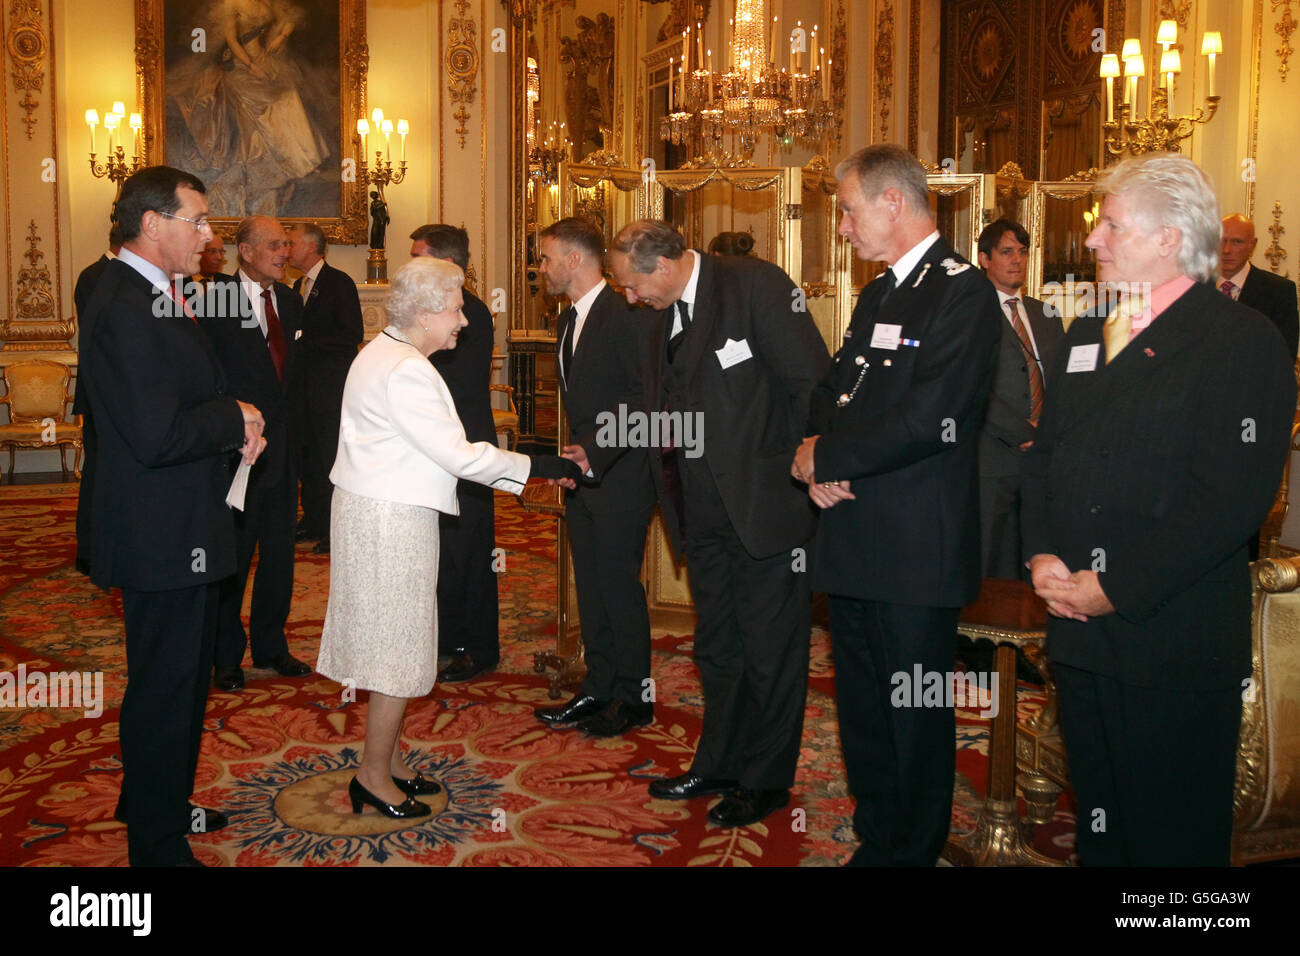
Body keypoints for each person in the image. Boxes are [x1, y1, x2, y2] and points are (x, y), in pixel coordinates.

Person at [1023, 154, 1295, 866]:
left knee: (1172, 844)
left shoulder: (1242, 341)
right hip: (1080, 633)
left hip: (1169, 639)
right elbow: (1043, 457)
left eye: (1111, 225)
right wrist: (1043, 555)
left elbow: (1229, 501)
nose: (1092, 241)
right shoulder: (1087, 334)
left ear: (1170, 238)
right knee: (1104, 830)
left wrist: (1113, 586)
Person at [793, 144, 1002, 866]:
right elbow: (837, 390)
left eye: (848, 211)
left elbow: (932, 415)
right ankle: (879, 839)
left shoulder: (962, 292)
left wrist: (831, 457)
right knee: (862, 710)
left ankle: (912, 850)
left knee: (912, 712)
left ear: (891, 201)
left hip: (915, 547)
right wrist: (815, 451)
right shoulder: (881, 292)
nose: (843, 228)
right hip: (853, 532)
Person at [316, 256, 580, 817]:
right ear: (431, 310)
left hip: (380, 511)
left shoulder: (383, 351)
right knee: (397, 646)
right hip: (390, 520)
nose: (463, 320)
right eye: (457, 307)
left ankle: (385, 760)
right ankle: (371, 776)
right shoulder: (405, 368)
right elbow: (458, 455)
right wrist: (539, 466)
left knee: (400, 639)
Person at [608, 220, 829, 828]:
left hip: (767, 509)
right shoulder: (658, 316)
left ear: (664, 265)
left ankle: (766, 782)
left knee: (771, 653)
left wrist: (811, 463)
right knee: (718, 647)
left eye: (632, 286)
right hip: (697, 512)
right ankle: (719, 761)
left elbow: (813, 382)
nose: (630, 298)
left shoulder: (755, 286)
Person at [76, 165, 267, 866]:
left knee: (180, 686)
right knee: (164, 690)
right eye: (199, 221)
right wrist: (233, 415)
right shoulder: (125, 303)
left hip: (179, 524)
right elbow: (155, 434)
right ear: (153, 224)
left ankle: (158, 802)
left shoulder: (149, 292)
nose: (209, 236)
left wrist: (230, 416)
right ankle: (155, 847)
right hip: (160, 534)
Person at [533, 218, 656, 736]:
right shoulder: (566, 322)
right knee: (593, 588)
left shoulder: (627, 314)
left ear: (575, 260)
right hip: (586, 478)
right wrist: (575, 464)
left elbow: (643, 400)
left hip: (624, 476)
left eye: (545, 258)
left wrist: (594, 454)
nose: (539, 269)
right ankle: (598, 686)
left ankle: (634, 698)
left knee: (619, 590)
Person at [200, 216, 312, 693]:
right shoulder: (217, 300)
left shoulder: (289, 300)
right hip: (237, 450)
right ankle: (226, 655)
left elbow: (296, 377)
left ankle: (272, 646)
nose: (283, 253)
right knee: (235, 553)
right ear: (244, 251)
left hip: (283, 450)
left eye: (286, 245)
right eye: (273, 245)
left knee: (280, 552)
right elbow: (207, 376)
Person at [410, 225, 500, 683]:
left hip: (468, 447)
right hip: (440, 446)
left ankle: (479, 647)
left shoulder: (473, 314)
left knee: (471, 552)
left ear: (445, 265)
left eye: (417, 258)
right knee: (443, 550)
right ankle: (447, 637)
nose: (409, 266)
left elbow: (450, 384)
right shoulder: (438, 312)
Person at [975, 218, 1062, 579]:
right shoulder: (970, 313)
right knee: (988, 557)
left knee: (1038, 554)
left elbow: (1064, 378)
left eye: (1023, 252)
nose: (1017, 260)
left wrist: (1050, 429)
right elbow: (973, 386)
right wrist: (1023, 431)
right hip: (992, 456)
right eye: (1006, 252)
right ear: (984, 259)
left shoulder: (1046, 314)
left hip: (1044, 459)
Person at [288, 221, 364, 554]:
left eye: (292, 243)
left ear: (311, 246)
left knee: (331, 457)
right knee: (309, 458)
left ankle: (337, 527)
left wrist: (304, 342)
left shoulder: (338, 282)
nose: (287, 249)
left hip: (330, 389)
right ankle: (315, 518)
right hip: (303, 390)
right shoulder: (296, 286)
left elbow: (351, 335)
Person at [73, 220, 123, 577]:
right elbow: (104, 340)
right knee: (97, 472)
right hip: (101, 392)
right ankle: (89, 549)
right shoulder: (95, 276)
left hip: (116, 393)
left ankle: (111, 542)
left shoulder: (112, 274)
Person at [1219, 213, 1299, 359]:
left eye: (1237, 242)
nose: (1226, 250)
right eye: (1221, 241)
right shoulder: (1193, 286)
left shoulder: (1279, 291)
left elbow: (1285, 355)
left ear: (1252, 245)